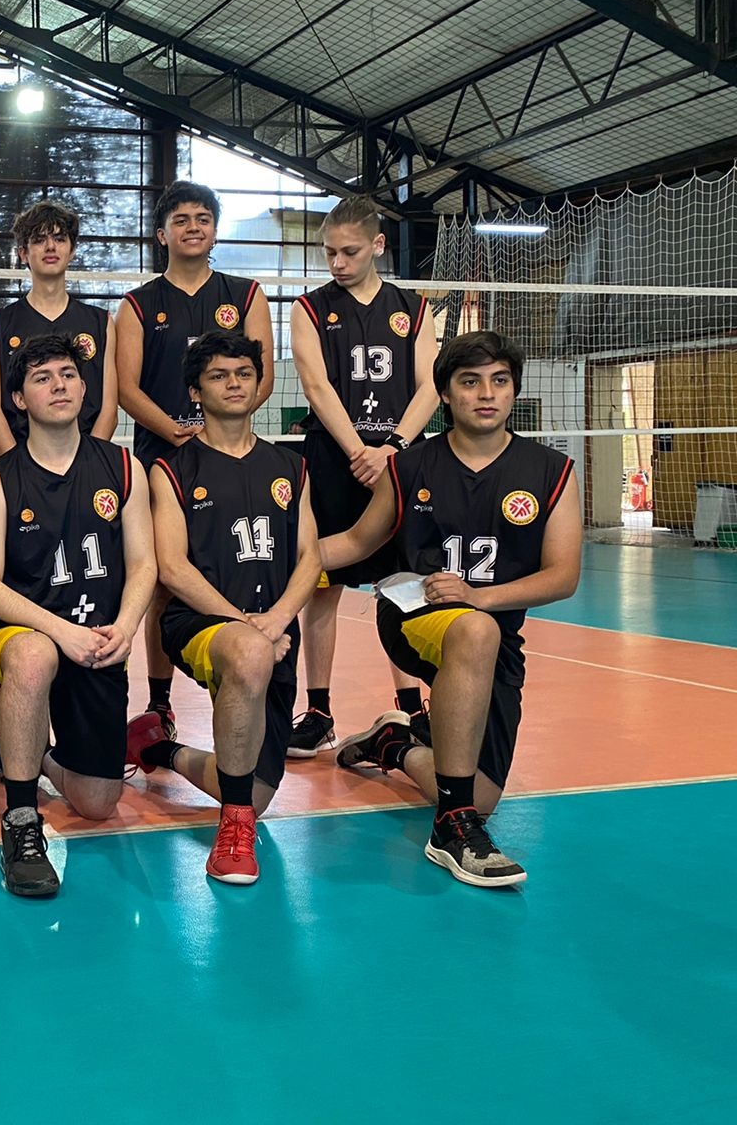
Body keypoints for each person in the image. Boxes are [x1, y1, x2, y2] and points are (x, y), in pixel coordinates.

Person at [319, 331, 580, 887]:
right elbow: (356, 542)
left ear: (513, 390)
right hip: (412, 615)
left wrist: (479, 597)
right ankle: (451, 829)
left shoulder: (550, 470)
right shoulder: (409, 467)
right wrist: (276, 562)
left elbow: (563, 576)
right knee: (474, 632)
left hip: (493, 629)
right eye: (470, 382)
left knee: (481, 795)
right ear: (444, 394)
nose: (486, 394)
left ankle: (393, 744)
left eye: (499, 381)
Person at [0, 335, 156, 897]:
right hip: (28, 632)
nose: (59, 385)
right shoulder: (0, 479)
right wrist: (60, 631)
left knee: (98, 804)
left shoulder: (123, 467)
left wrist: (126, 626)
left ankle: (33, 756)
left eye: (68, 374)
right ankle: (22, 822)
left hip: (97, 641)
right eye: (42, 377)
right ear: (19, 399)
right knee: (33, 656)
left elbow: (144, 564)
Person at [131, 333, 321, 883]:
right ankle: (232, 830)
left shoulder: (291, 465)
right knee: (248, 653)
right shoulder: (170, 469)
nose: (234, 383)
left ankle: (159, 750)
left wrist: (277, 620)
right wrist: (247, 626)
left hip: (276, 627)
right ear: (196, 391)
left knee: (257, 791)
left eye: (243, 373)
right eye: (218, 375)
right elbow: (172, 567)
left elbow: (310, 556)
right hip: (199, 623)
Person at [114, 180, 273, 731]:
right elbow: (126, 387)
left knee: (238, 568)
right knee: (163, 578)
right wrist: (181, 433)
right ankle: (160, 701)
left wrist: (213, 433)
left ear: (214, 230)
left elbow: (262, 377)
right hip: (165, 458)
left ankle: (248, 675)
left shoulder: (245, 295)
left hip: (232, 458)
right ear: (162, 234)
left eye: (203, 218)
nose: (193, 227)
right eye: (180, 219)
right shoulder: (138, 304)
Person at [288, 195, 439, 758]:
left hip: (399, 462)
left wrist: (393, 448)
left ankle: (413, 709)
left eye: (349, 252)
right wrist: (359, 450)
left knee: (401, 585)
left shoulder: (413, 310)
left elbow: (430, 384)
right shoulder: (310, 308)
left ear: (377, 245)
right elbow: (316, 385)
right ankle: (318, 712)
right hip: (334, 459)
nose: (337, 263)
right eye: (329, 252)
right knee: (320, 584)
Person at [0, 199, 117, 454]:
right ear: (23, 253)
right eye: (39, 239)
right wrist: (20, 468)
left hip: (86, 462)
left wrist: (90, 465)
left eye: (60, 239)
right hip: (17, 461)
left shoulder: (100, 322)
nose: (50, 246)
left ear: (72, 251)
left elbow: (109, 411)